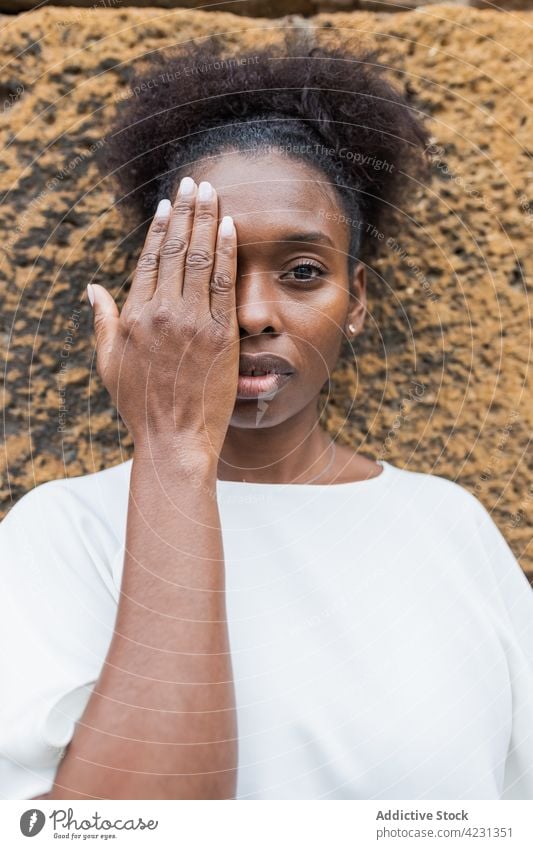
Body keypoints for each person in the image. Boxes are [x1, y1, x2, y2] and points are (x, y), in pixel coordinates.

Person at [1, 34, 532, 802]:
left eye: (304, 272)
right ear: (152, 295)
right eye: (208, 272)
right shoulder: (61, 533)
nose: (250, 313)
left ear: (357, 303)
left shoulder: (449, 530)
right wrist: (174, 447)